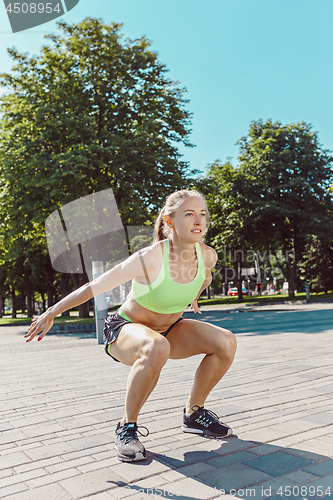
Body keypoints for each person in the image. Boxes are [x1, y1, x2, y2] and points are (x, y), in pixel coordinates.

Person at [25, 189, 237, 462]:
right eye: (189, 214)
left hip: (170, 328)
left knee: (226, 341)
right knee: (156, 346)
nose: (198, 221)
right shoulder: (149, 259)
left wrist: (194, 297)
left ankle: (194, 414)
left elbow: (204, 278)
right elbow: (93, 287)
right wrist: (51, 312)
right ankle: (126, 427)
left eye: (202, 214)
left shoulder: (207, 255)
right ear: (169, 221)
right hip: (124, 329)